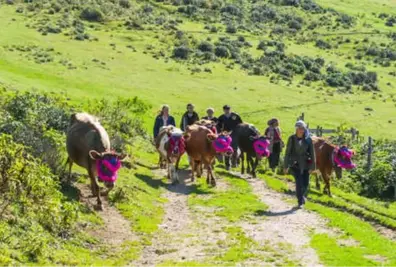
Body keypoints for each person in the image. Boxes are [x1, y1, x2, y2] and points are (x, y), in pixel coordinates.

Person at [284, 120, 316, 209]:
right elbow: (287, 153)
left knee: (305, 183)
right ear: (296, 129)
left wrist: (313, 166)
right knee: (299, 183)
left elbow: (312, 154)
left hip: (305, 164)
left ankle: (301, 196)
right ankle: (300, 201)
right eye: (299, 128)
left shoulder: (308, 140)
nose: (301, 130)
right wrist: (285, 166)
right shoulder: (292, 138)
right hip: (295, 164)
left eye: (302, 128)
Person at [217, 105, 243, 170]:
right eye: (225, 109)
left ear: (230, 109)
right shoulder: (221, 117)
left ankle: (234, 162)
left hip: (235, 134)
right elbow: (218, 126)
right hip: (225, 136)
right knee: (226, 149)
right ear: (223, 110)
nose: (227, 110)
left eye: (228, 109)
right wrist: (221, 133)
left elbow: (240, 124)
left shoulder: (235, 116)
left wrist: (238, 131)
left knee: (235, 149)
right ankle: (227, 165)